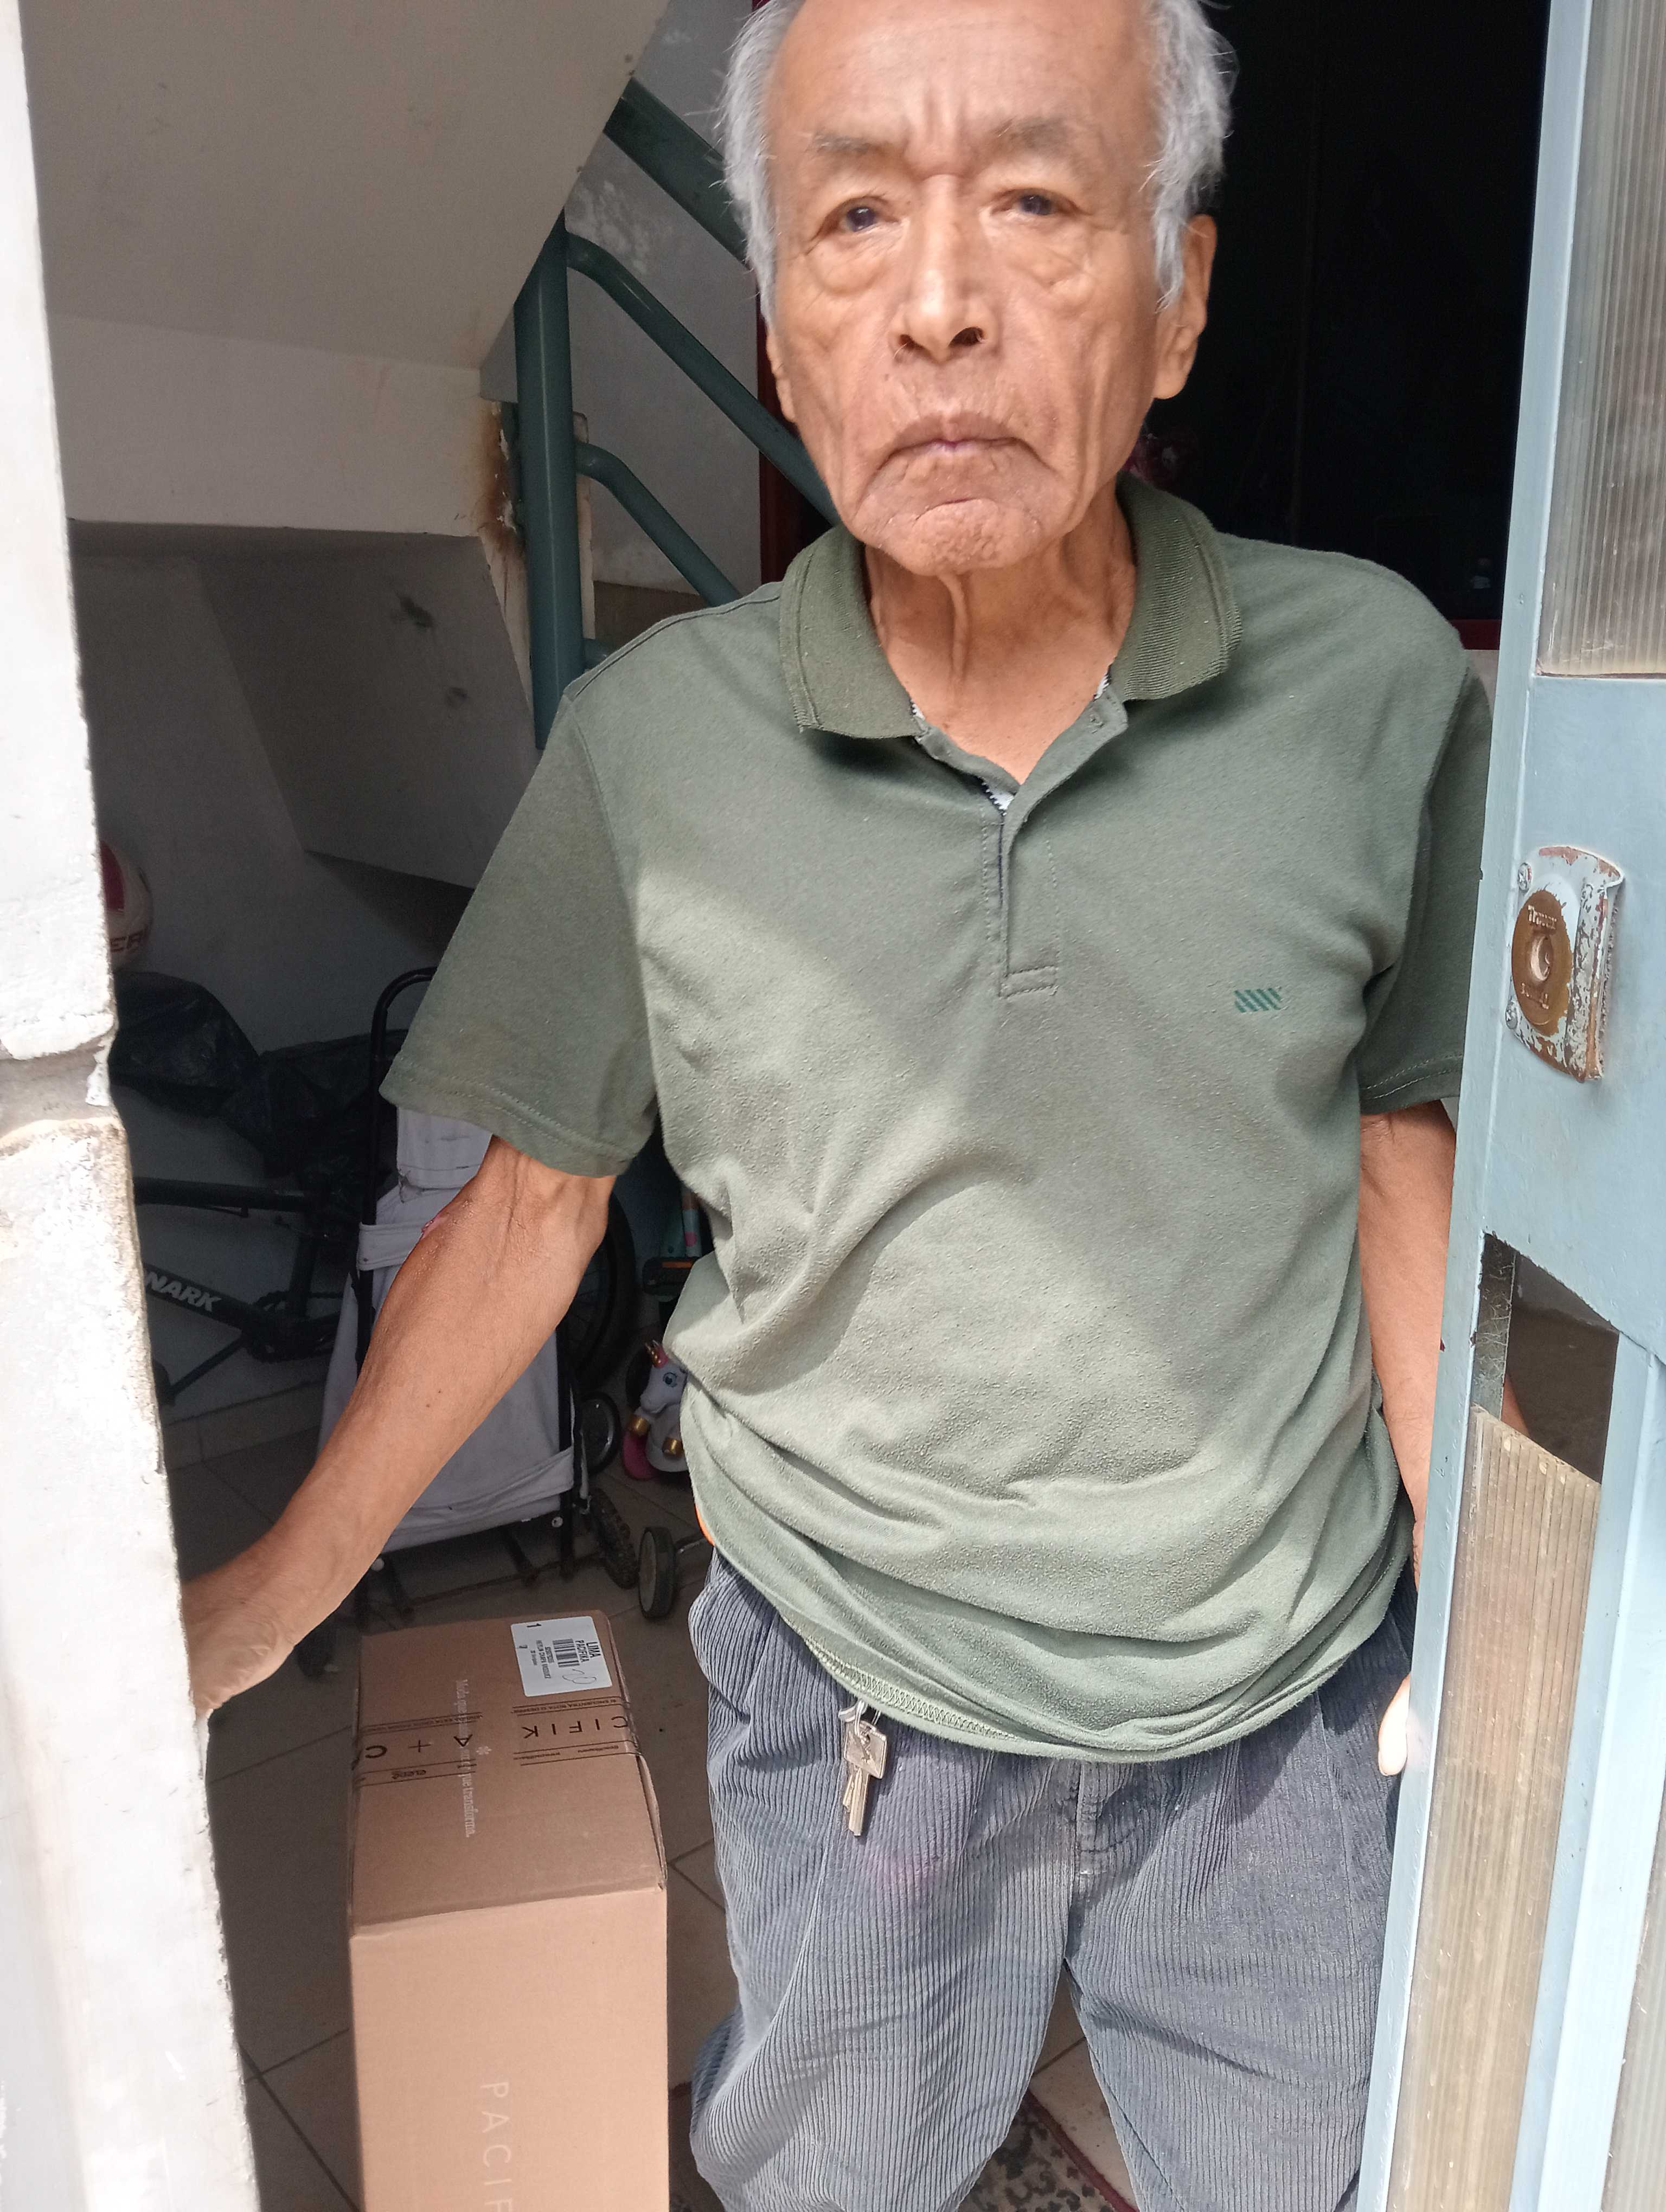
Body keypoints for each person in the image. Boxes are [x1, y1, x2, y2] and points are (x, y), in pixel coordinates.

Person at [183, 0, 1515, 2203]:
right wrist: (267, 1596)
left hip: (1272, 1710)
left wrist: (1476, 1612)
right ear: (783, 339)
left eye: (1035, 199)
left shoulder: (1376, 687)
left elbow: (1408, 1157)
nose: (939, 305)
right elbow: (530, 1208)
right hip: (865, 1702)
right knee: (834, 2173)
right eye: (856, 219)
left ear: (1180, 295)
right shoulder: (653, 750)